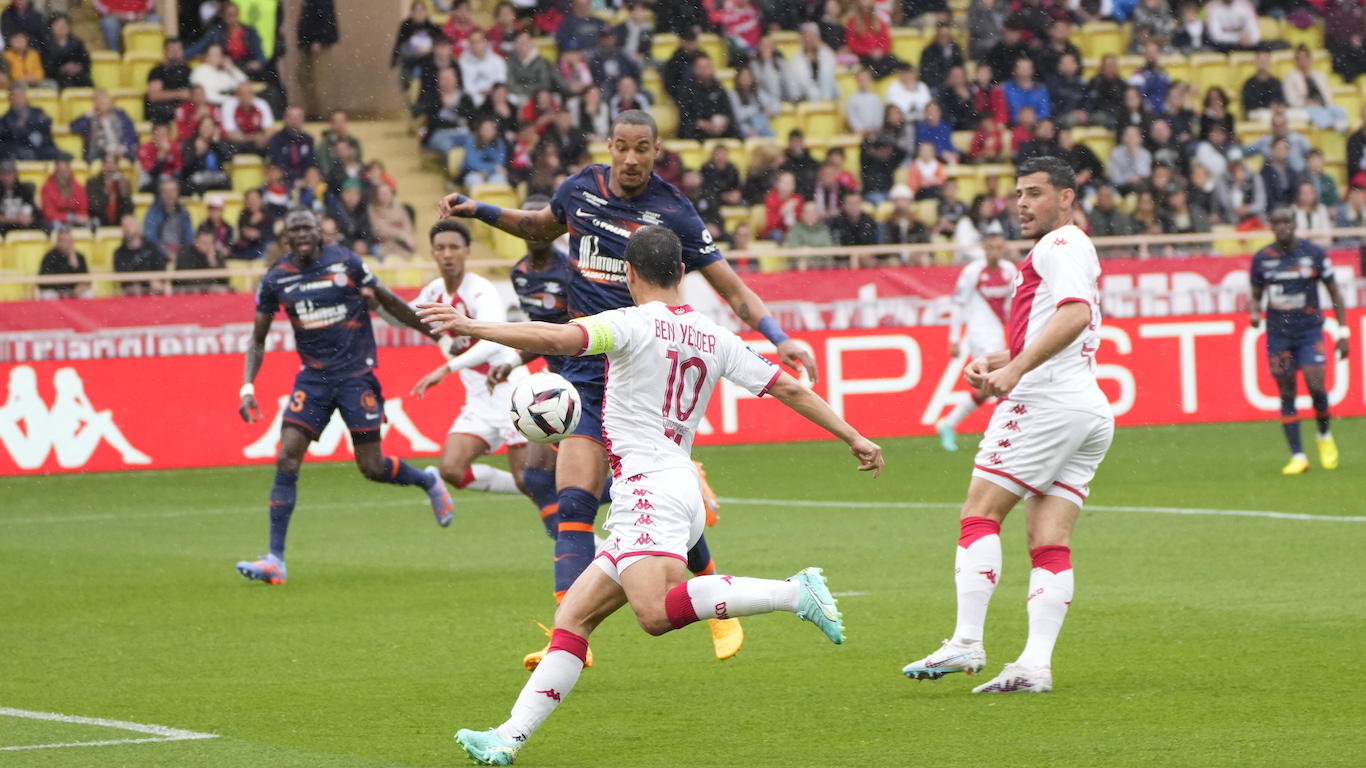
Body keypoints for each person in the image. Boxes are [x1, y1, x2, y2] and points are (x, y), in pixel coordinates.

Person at [418, 224, 882, 765]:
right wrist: (853, 435)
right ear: (682, 272)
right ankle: (508, 736)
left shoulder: (629, 323)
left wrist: (471, 326)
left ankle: (794, 592)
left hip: (649, 492)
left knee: (656, 613)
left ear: (629, 273)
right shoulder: (714, 336)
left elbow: (556, 339)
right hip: (671, 486)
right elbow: (787, 385)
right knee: (574, 620)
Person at [437, 110, 820, 667]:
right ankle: (568, 637)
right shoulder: (580, 190)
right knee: (573, 499)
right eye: (622, 146)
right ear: (609, 146)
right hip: (586, 377)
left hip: (644, 379)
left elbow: (734, 290)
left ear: (657, 150)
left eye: (643, 147)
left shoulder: (674, 212)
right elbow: (537, 228)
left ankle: (719, 602)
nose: (632, 158)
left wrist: (778, 338)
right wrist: (479, 210)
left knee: (658, 506)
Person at [902, 156, 1112, 694]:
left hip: (1046, 402)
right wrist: (1001, 358)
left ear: (1066, 197)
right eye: (1019, 193)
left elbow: (1075, 315)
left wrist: (1015, 371)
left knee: (979, 513)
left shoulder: (1059, 244)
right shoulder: (1073, 246)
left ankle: (966, 641)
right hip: (1084, 405)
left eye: (1035, 193)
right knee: (1049, 540)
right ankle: (1034, 666)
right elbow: (1060, 325)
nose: (1022, 203)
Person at [234, 209, 452, 586]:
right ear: (286, 239)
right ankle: (275, 560)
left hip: (355, 376)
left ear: (319, 232)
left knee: (372, 467)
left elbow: (387, 301)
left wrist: (438, 336)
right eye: (294, 230)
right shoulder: (276, 279)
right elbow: (257, 338)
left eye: (307, 228)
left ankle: (427, 481)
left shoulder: (346, 262)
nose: (302, 235)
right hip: (313, 379)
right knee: (287, 455)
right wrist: (247, 386)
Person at [1249, 207, 1349, 476]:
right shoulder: (1262, 259)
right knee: (1286, 392)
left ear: (1295, 224)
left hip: (1309, 331)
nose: (1282, 226)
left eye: (1286, 221)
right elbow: (1256, 294)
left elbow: (1334, 291)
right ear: (1271, 226)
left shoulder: (1313, 253)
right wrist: (1254, 312)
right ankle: (1298, 455)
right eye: (1277, 222)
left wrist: (1343, 332)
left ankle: (1324, 435)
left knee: (1316, 385)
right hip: (1279, 334)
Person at [935, 223, 1015, 449]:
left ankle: (949, 423)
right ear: (984, 247)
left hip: (997, 332)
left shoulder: (1009, 271)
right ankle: (1003, 435)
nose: (995, 251)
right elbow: (958, 304)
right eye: (991, 247)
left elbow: (1014, 304)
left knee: (988, 388)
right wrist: (954, 339)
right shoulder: (973, 272)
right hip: (979, 333)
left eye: (999, 247)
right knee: (1001, 380)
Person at [69, 90, 138, 163]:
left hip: (119, 147)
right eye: (99, 100)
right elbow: (74, 127)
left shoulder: (120, 114)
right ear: (95, 104)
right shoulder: (90, 119)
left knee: (134, 152)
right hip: (99, 151)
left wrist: (121, 146)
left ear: (110, 102)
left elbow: (130, 132)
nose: (102, 103)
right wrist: (87, 115)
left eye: (105, 100)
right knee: (96, 156)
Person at [113, 213, 167, 295]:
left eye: (130, 224)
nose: (127, 228)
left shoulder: (152, 248)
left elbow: (161, 269)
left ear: (139, 227)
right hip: (131, 293)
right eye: (124, 225)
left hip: (153, 291)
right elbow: (123, 276)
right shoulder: (119, 253)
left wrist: (150, 281)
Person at [0, 83, 58, 160]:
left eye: (21, 95)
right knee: (28, 154)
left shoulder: (37, 111)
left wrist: (26, 124)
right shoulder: (6, 119)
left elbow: (47, 123)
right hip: (22, 150)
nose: (19, 98)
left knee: (60, 155)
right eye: (16, 95)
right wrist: (33, 124)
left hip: (43, 147)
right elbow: (14, 135)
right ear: (10, 98)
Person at [146, 37, 193, 125]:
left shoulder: (187, 71)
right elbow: (154, 96)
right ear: (165, 51)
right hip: (164, 108)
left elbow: (194, 94)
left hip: (185, 108)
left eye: (178, 49)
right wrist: (179, 94)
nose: (175, 52)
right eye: (172, 49)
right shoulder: (157, 70)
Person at [143, 176, 194, 257]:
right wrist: (166, 253)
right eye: (166, 191)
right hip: (158, 255)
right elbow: (150, 238)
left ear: (177, 192)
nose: (169, 195)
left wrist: (182, 254)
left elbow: (189, 237)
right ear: (160, 194)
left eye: (172, 191)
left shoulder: (184, 212)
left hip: (181, 254)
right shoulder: (153, 213)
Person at [221, 81, 275, 155]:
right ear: (237, 95)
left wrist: (262, 138)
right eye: (242, 94)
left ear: (253, 95)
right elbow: (229, 135)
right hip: (238, 143)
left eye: (248, 93)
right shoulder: (229, 105)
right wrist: (253, 138)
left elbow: (270, 130)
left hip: (258, 142)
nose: (245, 97)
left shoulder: (261, 104)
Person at [37, 226, 91, 299]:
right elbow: (44, 279)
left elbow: (86, 277)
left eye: (70, 241)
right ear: (58, 242)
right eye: (65, 241)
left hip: (74, 291)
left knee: (88, 294)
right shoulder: (50, 257)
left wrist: (75, 266)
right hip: (55, 290)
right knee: (48, 295)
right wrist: (61, 289)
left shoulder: (79, 257)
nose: (68, 244)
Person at [43, 14, 92, 90]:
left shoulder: (77, 43)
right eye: (58, 25)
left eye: (64, 25)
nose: (62, 28)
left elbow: (85, 61)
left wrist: (77, 67)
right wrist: (62, 68)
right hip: (56, 77)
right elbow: (46, 65)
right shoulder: (46, 44)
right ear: (51, 27)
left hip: (77, 75)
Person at [368, 182, 416, 258]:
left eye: (387, 193)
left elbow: (407, 225)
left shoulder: (399, 207)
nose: (385, 196)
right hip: (383, 244)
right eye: (382, 194)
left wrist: (407, 236)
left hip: (400, 244)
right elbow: (379, 230)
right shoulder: (372, 209)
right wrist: (401, 234)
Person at [40, 155, 88, 230]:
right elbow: (49, 214)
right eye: (60, 170)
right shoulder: (47, 188)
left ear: (69, 170)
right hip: (55, 224)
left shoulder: (78, 188)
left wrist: (75, 219)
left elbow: (83, 213)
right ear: (56, 171)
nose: (63, 174)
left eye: (65, 170)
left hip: (75, 224)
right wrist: (70, 217)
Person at [86, 152, 133, 227]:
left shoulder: (122, 182)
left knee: (130, 221)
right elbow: (96, 208)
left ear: (117, 167)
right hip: (98, 220)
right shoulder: (93, 183)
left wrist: (124, 193)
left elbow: (129, 210)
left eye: (113, 163)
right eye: (107, 163)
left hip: (119, 221)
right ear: (103, 167)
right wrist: (106, 191)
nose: (110, 167)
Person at [0, 157, 37, 233]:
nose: (6, 178)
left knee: (42, 225)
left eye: (9, 174)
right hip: (5, 226)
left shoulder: (25, 189)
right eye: (3, 174)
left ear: (15, 174)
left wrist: (29, 218)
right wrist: (15, 220)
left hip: (23, 224)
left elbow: (32, 209)